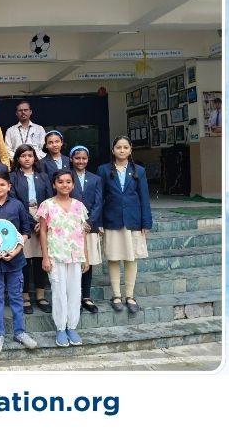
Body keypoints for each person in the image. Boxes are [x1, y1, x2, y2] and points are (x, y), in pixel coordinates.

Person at [0, 172, 37, 354]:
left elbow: (25, 231)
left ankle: (20, 332)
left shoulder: (17, 205)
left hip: (15, 261)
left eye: (2, 184)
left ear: (9, 187)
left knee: (16, 298)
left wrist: (16, 250)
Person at [97, 136, 152, 315]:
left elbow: (144, 197)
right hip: (111, 219)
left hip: (133, 220)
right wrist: (98, 222)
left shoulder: (139, 171)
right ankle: (116, 295)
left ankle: (130, 295)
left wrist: (146, 222)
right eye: (118, 147)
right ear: (113, 150)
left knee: (131, 257)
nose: (122, 150)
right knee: (113, 258)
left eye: (125, 147)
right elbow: (99, 198)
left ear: (130, 150)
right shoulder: (104, 170)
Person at [37, 169, 89, 347]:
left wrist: (85, 257)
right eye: (60, 182)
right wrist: (45, 257)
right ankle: (60, 328)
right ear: (54, 184)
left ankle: (72, 327)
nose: (64, 185)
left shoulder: (79, 206)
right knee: (59, 292)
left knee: (75, 292)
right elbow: (43, 232)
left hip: (75, 255)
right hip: (55, 255)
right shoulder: (47, 205)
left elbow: (83, 233)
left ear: (73, 185)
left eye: (68, 182)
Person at [9, 144, 52, 315]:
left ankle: (41, 296)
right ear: (17, 159)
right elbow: (14, 201)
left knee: (41, 258)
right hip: (22, 220)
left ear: (34, 158)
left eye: (30, 155)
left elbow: (49, 199)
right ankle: (25, 296)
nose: (27, 158)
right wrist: (31, 222)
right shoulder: (13, 177)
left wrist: (42, 221)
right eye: (23, 156)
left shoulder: (43, 176)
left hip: (43, 219)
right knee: (25, 261)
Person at [69, 145, 103, 314]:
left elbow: (98, 202)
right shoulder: (67, 177)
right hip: (70, 227)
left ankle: (86, 296)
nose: (80, 161)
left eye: (84, 158)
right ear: (71, 159)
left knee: (87, 262)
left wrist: (90, 222)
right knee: (73, 261)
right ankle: (74, 297)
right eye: (77, 158)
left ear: (88, 160)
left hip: (89, 227)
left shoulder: (95, 179)